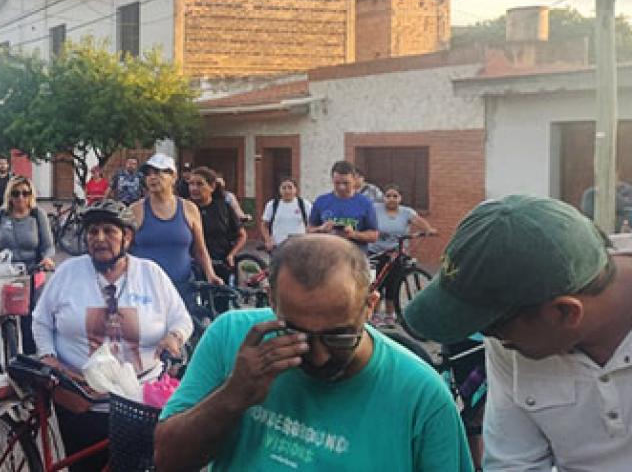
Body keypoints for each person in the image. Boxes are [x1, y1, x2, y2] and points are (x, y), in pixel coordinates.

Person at [154, 234, 472, 471]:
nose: (318, 356)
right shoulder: (231, 336)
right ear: (271, 302)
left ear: (369, 307)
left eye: (339, 335)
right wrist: (232, 396)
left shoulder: (422, 397)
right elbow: (168, 461)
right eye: (295, 332)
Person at [405, 195, 632, 471]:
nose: (487, 338)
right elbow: (512, 462)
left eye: (491, 328)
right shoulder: (512, 346)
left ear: (565, 313)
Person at [32, 200, 193, 472]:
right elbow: (40, 321)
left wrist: (174, 337)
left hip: (140, 404)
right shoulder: (68, 273)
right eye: (93, 232)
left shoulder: (150, 274)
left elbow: (181, 318)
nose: (99, 239)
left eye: (109, 231)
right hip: (81, 400)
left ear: (127, 237)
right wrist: (48, 356)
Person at [0, 176, 55, 353]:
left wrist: (47, 259)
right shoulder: (1, 215)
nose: (21, 198)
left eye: (26, 193)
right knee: (5, 318)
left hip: (31, 274)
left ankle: (31, 363)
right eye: (16, 193)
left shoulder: (37, 215)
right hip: (6, 274)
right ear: (9, 195)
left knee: (30, 322)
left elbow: (48, 246)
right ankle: (7, 355)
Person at [129, 153, 224, 298]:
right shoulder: (135, 210)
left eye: (158, 173)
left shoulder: (189, 209)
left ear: (173, 177)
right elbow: (123, 249)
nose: (152, 178)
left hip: (182, 289)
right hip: (144, 290)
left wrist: (210, 275)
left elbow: (200, 250)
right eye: (148, 174)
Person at [189, 167, 246, 285]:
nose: (194, 188)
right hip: (192, 267)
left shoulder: (223, 208)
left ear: (212, 187)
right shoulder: (185, 208)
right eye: (191, 184)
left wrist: (231, 255)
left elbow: (241, 235)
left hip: (220, 265)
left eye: (200, 184)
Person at [307, 160, 379, 253]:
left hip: (354, 257)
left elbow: (374, 236)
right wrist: (321, 229)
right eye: (337, 183)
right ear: (332, 180)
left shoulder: (365, 203)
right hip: (326, 256)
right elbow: (309, 231)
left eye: (346, 183)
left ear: (354, 180)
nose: (341, 187)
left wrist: (353, 234)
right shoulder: (321, 201)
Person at [368, 184, 437, 256]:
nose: (391, 199)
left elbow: (418, 220)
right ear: (383, 198)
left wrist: (428, 229)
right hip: (375, 253)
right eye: (388, 196)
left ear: (400, 198)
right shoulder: (374, 208)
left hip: (398, 253)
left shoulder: (407, 212)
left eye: (395, 196)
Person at [260, 177, 310, 253]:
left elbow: (312, 224)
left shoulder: (304, 204)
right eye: (284, 188)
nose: (287, 191)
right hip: (278, 247)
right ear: (280, 190)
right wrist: (268, 240)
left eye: (290, 187)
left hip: (299, 246)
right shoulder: (272, 205)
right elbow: (264, 225)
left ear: (295, 189)